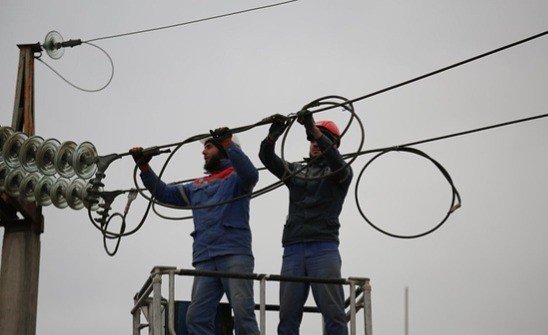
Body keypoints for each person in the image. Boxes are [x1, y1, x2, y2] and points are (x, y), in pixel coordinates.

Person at [131, 127, 260, 335]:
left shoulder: (237, 179)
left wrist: (229, 144)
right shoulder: (197, 186)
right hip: (205, 258)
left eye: (209, 146)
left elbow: (251, 174)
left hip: (234, 254)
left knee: (243, 315)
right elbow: (164, 193)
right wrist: (144, 167)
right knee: (196, 318)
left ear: (225, 148)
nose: (204, 152)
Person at [259, 112, 353, 335]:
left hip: (324, 248)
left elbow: (338, 164)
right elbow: (267, 158)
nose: (315, 143)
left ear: (335, 144)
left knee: (334, 314)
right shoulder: (296, 171)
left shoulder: (341, 172)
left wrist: (315, 130)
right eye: (310, 139)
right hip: (293, 249)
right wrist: (272, 137)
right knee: (288, 317)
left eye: (320, 138)